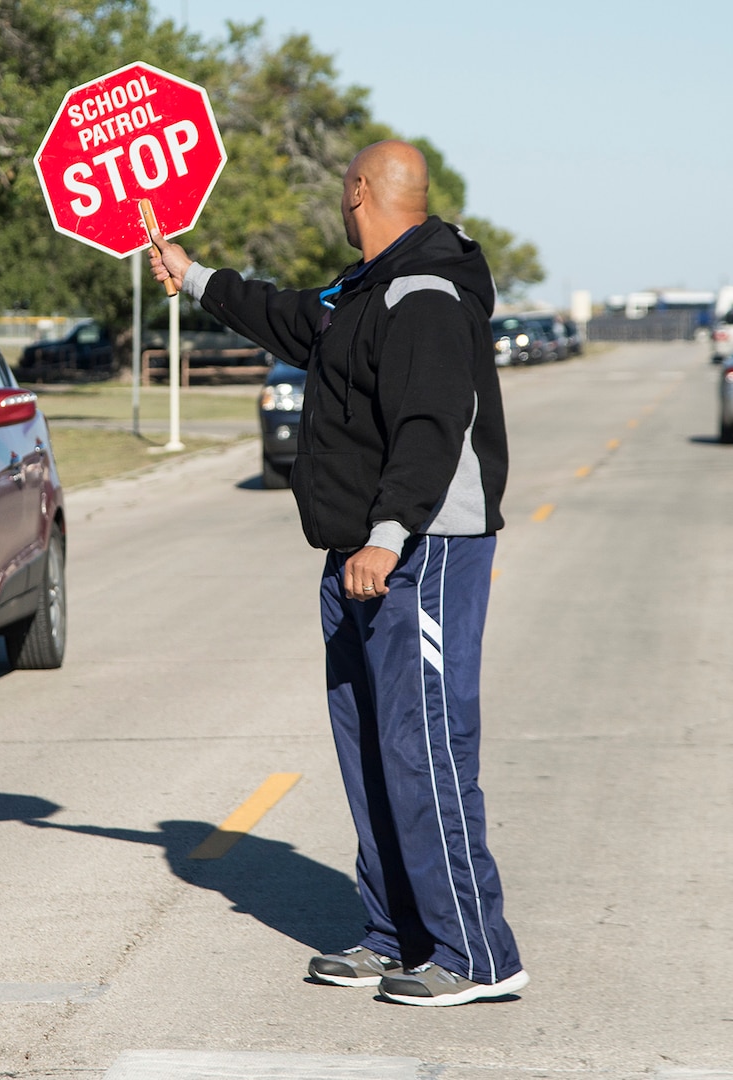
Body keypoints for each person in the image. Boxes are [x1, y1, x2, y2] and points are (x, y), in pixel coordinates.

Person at [149, 140, 527, 1008]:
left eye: (338, 186)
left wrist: (388, 537)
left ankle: (476, 952)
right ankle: (398, 933)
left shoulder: (423, 292)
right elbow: (291, 319)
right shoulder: (362, 289)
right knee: (368, 747)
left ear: (358, 188)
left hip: (418, 552)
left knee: (423, 744)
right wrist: (194, 273)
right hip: (361, 554)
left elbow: (431, 427)